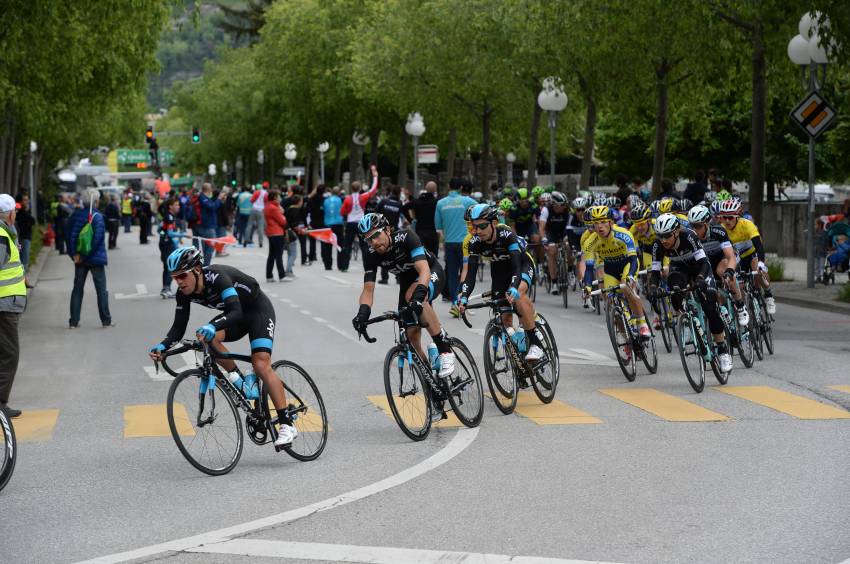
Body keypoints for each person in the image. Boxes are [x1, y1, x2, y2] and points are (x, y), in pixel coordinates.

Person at [149, 247, 297, 447]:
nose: (179, 281)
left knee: (260, 363)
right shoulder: (183, 293)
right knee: (205, 338)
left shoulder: (217, 277)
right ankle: (241, 381)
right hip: (234, 316)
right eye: (175, 277)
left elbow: (235, 310)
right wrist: (162, 346)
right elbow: (178, 326)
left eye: (182, 275)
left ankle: (287, 424)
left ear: (197, 270)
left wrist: (213, 325)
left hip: (256, 311)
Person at [351, 213, 455, 421]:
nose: (373, 242)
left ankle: (445, 350)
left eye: (376, 235)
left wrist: (418, 297)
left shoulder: (406, 236)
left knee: (416, 298)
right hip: (407, 282)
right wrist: (362, 313)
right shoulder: (371, 252)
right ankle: (435, 392)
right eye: (368, 239)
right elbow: (368, 289)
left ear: (388, 230)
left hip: (430, 272)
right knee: (411, 336)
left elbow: (424, 270)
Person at [456, 204, 546, 363]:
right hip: (499, 270)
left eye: (482, 226)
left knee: (518, 295)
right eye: (474, 226)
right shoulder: (474, 242)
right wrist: (463, 296)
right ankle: (519, 357)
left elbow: (517, 266)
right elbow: (470, 275)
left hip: (522, 265)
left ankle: (535, 343)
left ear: (494, 223)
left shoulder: (506, 234)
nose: (477, 231)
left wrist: (513, 287)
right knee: (505, 318)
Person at [647, 213, 733, 373]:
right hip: (679, 269)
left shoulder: (689, 236)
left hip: (700, 267)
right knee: (674, 289)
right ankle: (687, 321)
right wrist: (652, 287)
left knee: (709, 307)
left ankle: (722, 350)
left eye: (667, 236)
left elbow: (705, 262)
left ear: (676, 232)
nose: (663, 240)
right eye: (660, 236)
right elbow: (655, 272)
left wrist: (701, 278)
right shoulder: (657, 245)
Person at [585, 205, 651, 343]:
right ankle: (627, 339)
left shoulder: (624, 234)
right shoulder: (590, 242)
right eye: (596, 223)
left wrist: (631, 276)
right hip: (610, 269)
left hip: (628, 264)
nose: (599, 227)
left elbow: (633, 259)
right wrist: (587, 287)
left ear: (611, 222)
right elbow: (589, 268)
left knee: (626, 287)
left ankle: (642, 323)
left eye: (603, 222)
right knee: (610, 303)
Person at [687, 204, 748, 327]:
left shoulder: (718, 231)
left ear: (706, 224)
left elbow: (730, 257)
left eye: (698, 226)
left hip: (723, 258)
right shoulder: (690, 237)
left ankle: (740, 306)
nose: (695, 229)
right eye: (692, 226)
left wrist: (730, 271)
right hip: (706, 263)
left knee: (723, 270)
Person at [713, 198, 775, 315]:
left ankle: (768, 294)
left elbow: (759, 246)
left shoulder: (747, 224)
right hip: (737, 258)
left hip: (751, 254)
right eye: (724, 217)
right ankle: (743, 311)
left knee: (758, 269)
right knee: (736, 284)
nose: (727, 221)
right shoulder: (721, 229)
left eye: (730, 217)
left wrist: (761, 262)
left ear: (737, 216)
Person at [66, 191, 113, 329]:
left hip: (80, 260)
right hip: (96, 259)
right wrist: (87, 255)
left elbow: (69, 236)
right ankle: (106, 320)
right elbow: (98, 239)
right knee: (101, 290)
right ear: (96, 202)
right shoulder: (97, 217)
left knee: (77, 289)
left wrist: (75, 255)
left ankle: (73, 322)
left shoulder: (75, 215)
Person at [0, 194, 26, 418]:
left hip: (8, 303)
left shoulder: (6, 233)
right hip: (4, 305)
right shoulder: (1, 235)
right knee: (9, 354)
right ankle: (0, 404)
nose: (16, 214)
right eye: (14, 211)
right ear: (9, 214)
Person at [435, 179, 477, 306]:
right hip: (466, 242)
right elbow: (482, 210)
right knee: (466, 272)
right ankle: (461, 300)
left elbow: (438, 227)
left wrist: (443, 241)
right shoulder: (468, 201)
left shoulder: (440, 203)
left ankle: (454, 301)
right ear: (461, 187)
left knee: (452, 274)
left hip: (450, 243)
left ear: (448, 186)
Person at [339, 166, 379, 271]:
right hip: (362, 223)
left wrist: (348, 212)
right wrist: (375, 175)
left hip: (350, 223)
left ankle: (344, 267)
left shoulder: (347, 199)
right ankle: (367, 267)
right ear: (360, 187)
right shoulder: (364, 196)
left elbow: (342, 212)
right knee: (364, 245)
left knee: (347, 245)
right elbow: (373, 189)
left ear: (351, 188)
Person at [158, 197, 185, 298]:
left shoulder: (169, 216)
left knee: (168, 267)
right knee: (170, 267)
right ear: (170, 206)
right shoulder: (169, 217)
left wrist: (164, 235)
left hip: (166, 244)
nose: (178, 207)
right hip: (167, 245)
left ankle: (166, 289)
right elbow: (169, 233)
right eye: (176, 205)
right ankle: (166, 289)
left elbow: (159, 230)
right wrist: (182, 235)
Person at [376, 185, 404, 284]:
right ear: (399, 193)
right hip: (394, 230)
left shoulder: (383, 202)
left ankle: (384, 278)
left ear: (391, 192)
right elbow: (402, 216)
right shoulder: (399, 204)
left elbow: (376, 213)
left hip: (383, 230)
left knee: (383, 252)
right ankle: (399, 277)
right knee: (397, 253)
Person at [405, 181, 439, 258]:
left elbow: (404, 208)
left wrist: (411, 220)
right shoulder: (436, 202)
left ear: (426, 188)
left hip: (419, 230)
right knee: (433, 256)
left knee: (421, 255)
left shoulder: (417, 201)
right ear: (435, 190)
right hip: (432, 231)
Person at [197, 182, 224, 267]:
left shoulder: (205, 197)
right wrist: (219, 199)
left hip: (209, 225)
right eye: (211, 188)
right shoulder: (203, 197)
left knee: (207, 247)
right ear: (208, 189)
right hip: (208, 226)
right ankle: (206, 266)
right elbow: (212, 207)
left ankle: (205, 265)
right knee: (210, 248)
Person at [263, 189, 287, 282]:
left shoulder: (268, 206)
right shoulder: (273, 208)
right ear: (275, 197)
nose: (280, 198)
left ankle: (269, 276)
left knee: (272, 255)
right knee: (278, 255)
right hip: (277, 232)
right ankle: (282, 275)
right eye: (279, 196)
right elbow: (282, 221)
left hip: (271, 232)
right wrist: (283, 216)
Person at [14, 195, 34, 285]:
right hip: (23, 238)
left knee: (24, 260)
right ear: (20, 201)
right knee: (24, 261)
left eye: (27, 199)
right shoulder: (20, 212)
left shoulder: (23, 211)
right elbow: (32, 220)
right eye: (25, 200)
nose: (27, 201)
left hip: (25, 237)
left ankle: (24, 279)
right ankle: (22, 281)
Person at [322, 186, 343, 270]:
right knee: (340, 245)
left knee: (327, 245)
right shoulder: (340, 200)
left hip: (327, 224)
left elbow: (323, 210)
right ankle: (340, 265)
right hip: (338, 224)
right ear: (338, 193)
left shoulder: (326, 201)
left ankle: (328, 265)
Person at [284, 194, 306, 276]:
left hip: (286, 232)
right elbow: (295, 224)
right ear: (299, 202)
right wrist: (301, 230)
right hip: (291, 234)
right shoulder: (297, 210)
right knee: (293, 254)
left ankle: (290, 271)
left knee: (290, 253)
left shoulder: (287, 209)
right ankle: (288, 271)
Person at [248, 183, 268, 248]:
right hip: (261, 211)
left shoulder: (257, 192)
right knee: (261, 227)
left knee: (249, 225)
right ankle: (260, 243)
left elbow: (251, 200)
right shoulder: (267, 194)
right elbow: (266, 203)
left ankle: (246, 240)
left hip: (254, 209)